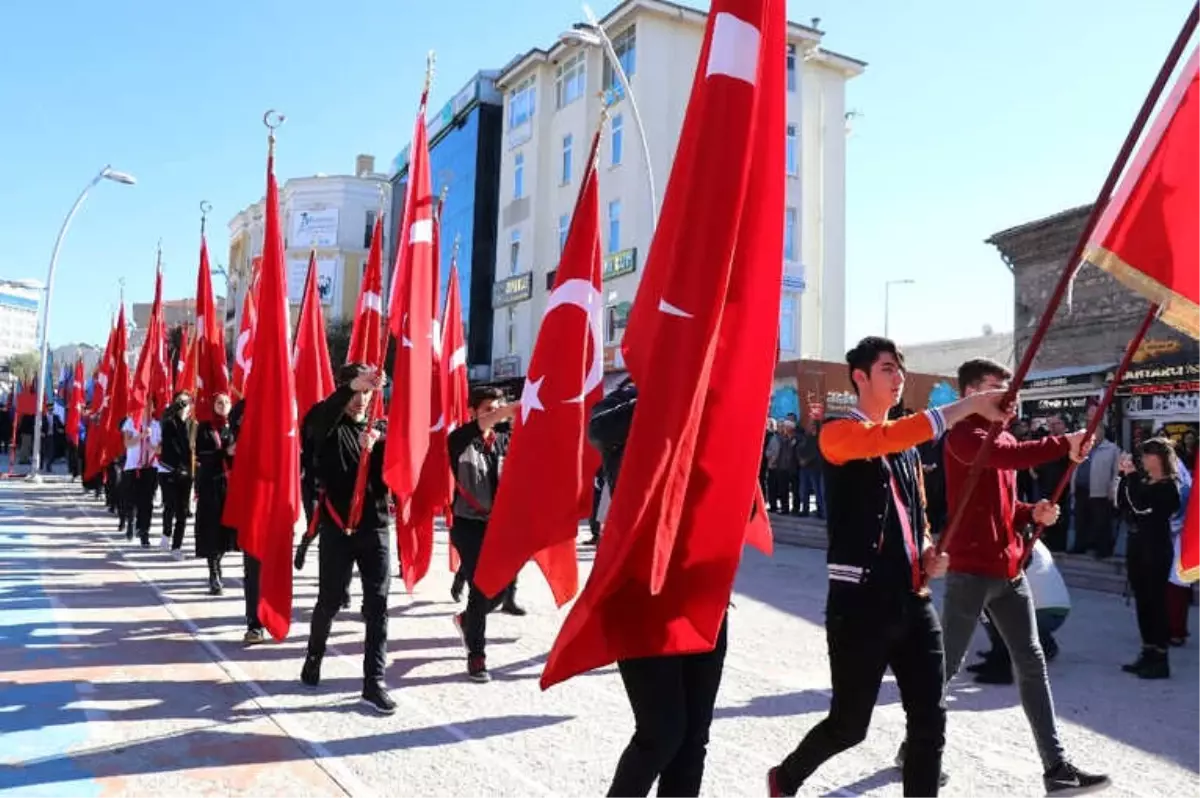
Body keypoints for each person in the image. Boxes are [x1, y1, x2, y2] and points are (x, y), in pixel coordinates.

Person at [768, 337, 1013, 798]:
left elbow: (916, 516)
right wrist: (971, 404)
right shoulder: (837, 433)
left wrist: (926, 551)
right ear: (859, 377)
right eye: (887, 369)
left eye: (901, 369)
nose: (899, 377)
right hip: (860, 601)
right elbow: (888, 436)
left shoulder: (906, 449)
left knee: (930, 718)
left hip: (914, 599)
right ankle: (785, 778)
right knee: (849, 725)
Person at [901, 358, 1108, 796]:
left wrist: (1032, 512)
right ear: (974, 391)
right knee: (947, 666)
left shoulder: (1007, 436)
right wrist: (1064, 441)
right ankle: (915, 749)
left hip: (1009, 569)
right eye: (1000, 388)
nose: (1010, 399)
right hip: (970, 572)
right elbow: (1000, 457)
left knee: (1031, 663)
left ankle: (1056, 767)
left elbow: (1003, 508)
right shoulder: (963, 434)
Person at [587, 377, 729, 798]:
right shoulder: (630, 392)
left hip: (703, 590)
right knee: (662, 732)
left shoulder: (715, 390)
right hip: (640, 590)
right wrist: (671, 385)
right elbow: (599, 431)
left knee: (693, 740)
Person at [299, 364, 395, 714]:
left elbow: (394, 479)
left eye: (367, 393)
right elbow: (321, 418)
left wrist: (379, 449)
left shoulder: (378, 431)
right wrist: (354, 384)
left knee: (378, 607)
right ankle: (314, 654)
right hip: (338, 530)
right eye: (355, 392)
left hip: (375, 529)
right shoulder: (325, 424)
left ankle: (374, 682)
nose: (360, 400)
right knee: (330, 600)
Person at [448, 386, 520, 683]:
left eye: (498, 407)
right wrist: (508, 410)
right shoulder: (460, 439)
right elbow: (486, 424)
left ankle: (468, 619)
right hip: (468, 525)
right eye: (488, 409)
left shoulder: (505, 440)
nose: (495, 413)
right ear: (473, 412)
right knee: (481, 584)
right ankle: (476, 655)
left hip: (499, 525)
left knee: (498, 591)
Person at [1116, 439, 1181, 679]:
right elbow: (1125, 504)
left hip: (1156, 549)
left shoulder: (1168, 486)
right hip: (1137, 546)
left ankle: (1160, 657)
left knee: (1156, 602)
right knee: (1142, 601)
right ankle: (1147, 651)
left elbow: (1142, 506)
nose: (1142, 459)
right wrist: (1124, 477)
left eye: (1147, 455)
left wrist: (1132, 478)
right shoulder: (1143, 482)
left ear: (1160, 458)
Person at [966, 539, 1071, 683]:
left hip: (1040, 612)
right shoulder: (1031, 538)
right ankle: (1045, 645)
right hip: (1059, 610)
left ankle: (1002, 667)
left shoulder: (1008, 539)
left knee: (990, 606)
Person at [228, 398, 267, 645]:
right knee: (254, 568)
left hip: (278, 503)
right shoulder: (243, 413)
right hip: (252, 503)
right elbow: (234, 423)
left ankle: (270, 614)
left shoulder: (284, 410)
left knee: (273, 567)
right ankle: (255, 622)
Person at [194, 393, 237, 596]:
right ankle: (213, 573)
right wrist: (225, 453)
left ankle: (218, 564)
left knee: (224, 530)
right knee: (211, 529)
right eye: (220, 402)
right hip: (209, 484)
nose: (223, 405)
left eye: (227, 402)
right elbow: (201, 455)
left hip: (228, 485)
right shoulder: (204, 427)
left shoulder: (233, 428)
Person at [1070, 402, 1121, 558]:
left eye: (1096, 430)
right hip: (1081, 489)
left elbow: (1116, 472)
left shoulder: (1112, 449)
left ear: (1102, 431)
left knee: (1101, 522)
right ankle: (1080, 546)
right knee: (1081, 520)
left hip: (1101, 491)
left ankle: (1103, 549)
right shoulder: (1082, 447)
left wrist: (1113, 490)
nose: (1093, 433)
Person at [157, 392, 194, 560]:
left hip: (186, 472)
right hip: (168, 469)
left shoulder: (193, 424)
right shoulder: (168, 422)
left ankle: (177, 546)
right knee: (170, 505)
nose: (184, 405)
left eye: (187, 402)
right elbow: (165, 416)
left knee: (182, 510)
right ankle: (166, 534)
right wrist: (178, 405)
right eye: (181, 402)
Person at [120, 407, 161, 547]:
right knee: (131, 499)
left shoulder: (156, 425)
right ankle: (131, 522)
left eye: (149, 406)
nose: (146, 409)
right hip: (133, 466)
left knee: (147, 502)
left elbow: (161, 449)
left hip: (150, 467)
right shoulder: (130, 422)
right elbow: (127, 443)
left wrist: (152, 447)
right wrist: (141, 436)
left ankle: (144, 531)